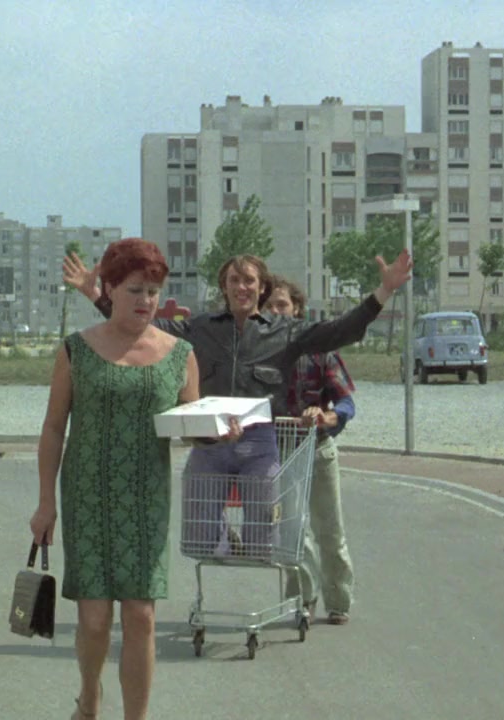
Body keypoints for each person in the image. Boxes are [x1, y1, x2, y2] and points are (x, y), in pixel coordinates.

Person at [63, 249, 412, 558]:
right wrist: (95, 293)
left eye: (249, 280)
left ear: (262, 288)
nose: (241, 287)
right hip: (211, 442)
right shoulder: (201, 328)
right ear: (224, 287)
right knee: (198, 543)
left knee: (263, 546)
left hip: (259, 445)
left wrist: (383, 292)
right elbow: (142, 323)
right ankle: (224, 538)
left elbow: (341, 330)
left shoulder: (286, 331)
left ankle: (252, 545)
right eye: (233, 280)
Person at [30, 238, 231, 720]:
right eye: (135, 290)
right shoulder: (76, 350)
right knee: (95, 619)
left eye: (153, 292)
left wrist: (217, 431)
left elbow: (189, 424)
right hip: (87, 497)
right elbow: (54, 428)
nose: (146, 301)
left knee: (140, 616)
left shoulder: (180, 354)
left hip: (146, 499)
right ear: (109, 289)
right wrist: (45, 503)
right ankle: (89, 696)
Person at [263, 275, 357, 626]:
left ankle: (338, 601)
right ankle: (302, 599)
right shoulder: (259, 352)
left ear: (297, 309)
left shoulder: (320, 351)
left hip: (317, 448)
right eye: (269, 306)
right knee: (292, 533)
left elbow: (346, 402)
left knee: (329, 530)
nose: (276, 311)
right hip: (279, 450)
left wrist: (326, 416)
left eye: (282, 305)